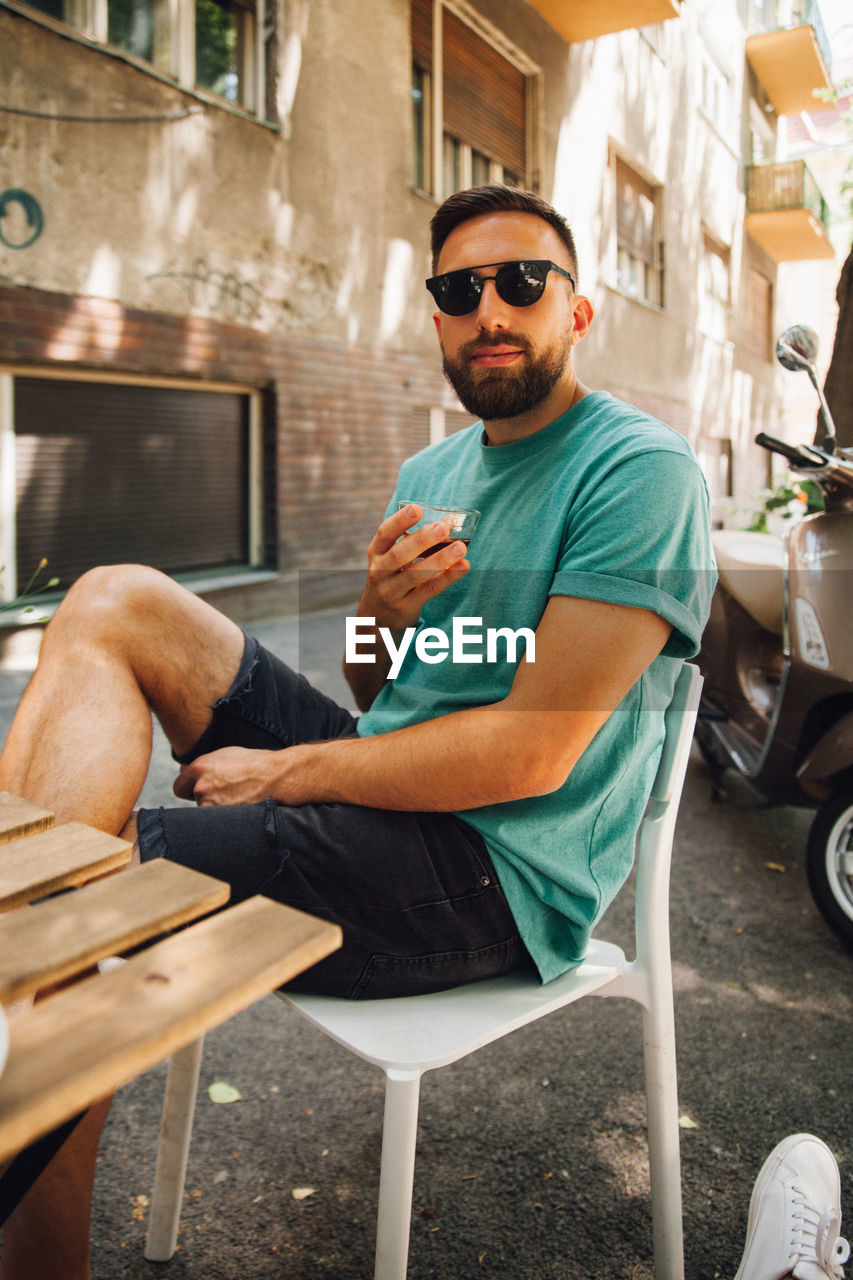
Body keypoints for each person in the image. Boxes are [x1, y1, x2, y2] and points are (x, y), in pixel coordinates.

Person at [0, 183, 715, 1277]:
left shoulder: (637, 471)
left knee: (95, 903)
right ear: (433, 314)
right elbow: (383, 690)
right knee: (113, 596)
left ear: (576, 310)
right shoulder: (431, 472)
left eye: (522, 281)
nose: (489, 308)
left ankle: (46, 972)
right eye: (458, 288)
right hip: (385, 790)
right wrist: (380, 614)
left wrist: (286, 770)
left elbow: (532, 750)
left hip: (491, 867)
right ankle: (31, 937)